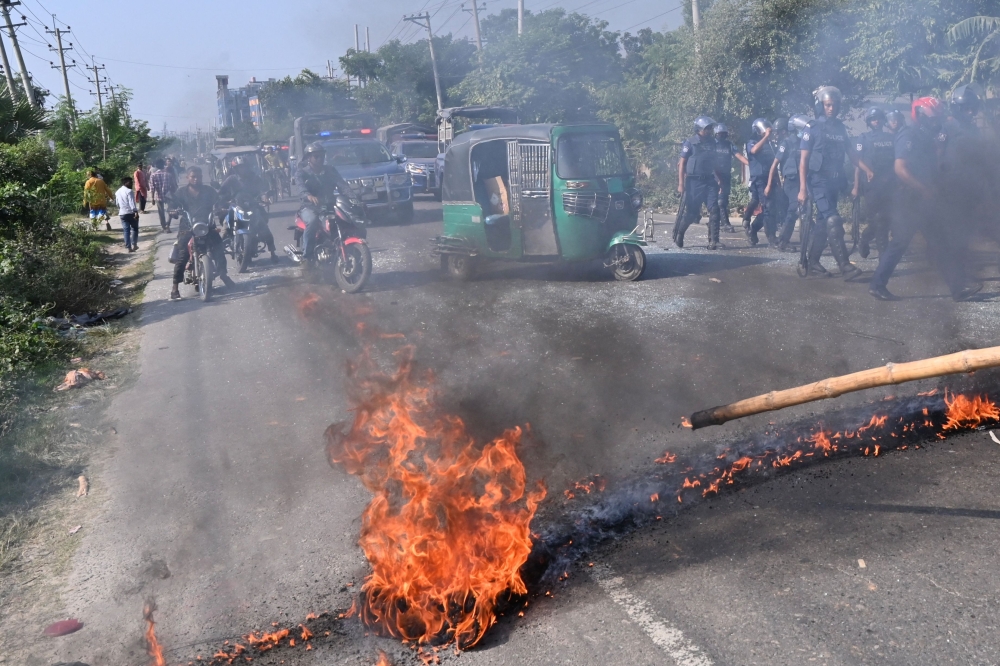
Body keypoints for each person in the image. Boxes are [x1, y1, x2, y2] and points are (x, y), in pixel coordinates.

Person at [868, 98, 981, 302]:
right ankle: (877, 284)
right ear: (919, 115)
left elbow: (933, 165)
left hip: (925, 200)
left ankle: (957, 289)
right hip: (910, 200)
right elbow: (900, 169)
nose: (936, 121)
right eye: (932, 118)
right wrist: (924, 188)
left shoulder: (928, 136)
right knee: (900, 244)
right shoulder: (908, 134)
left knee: (940, 243)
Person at [798, 86, 873, 279]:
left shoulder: (840, 128)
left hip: (834, 183)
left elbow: (852, 154)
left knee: (823, 225)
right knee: (834, 220)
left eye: (835, 105)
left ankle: (813, 263)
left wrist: (867, 169)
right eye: (828, 105)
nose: (832, 108)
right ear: (820, 106)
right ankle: (845, 266)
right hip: (818, 182)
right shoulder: (812, 127)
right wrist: (802, 189)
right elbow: (804, 160)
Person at [169, 166, 233, 300]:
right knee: (183, 255)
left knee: (219, 249)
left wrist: (221, 208)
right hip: (187, 227)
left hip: (207, 226)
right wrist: (173, 210)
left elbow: (219, 201)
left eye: (198, 177)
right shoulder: (181, 193)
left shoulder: (209, 191)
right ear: (188, 178)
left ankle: (224, 275)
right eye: (193, 177)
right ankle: (175, 289)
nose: (196, 179)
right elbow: (172, 204)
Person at [295, 141, 353, 270]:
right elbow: (300, 188)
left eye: (321, 156)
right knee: (313, 221)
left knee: (349, 218)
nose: (320, 159)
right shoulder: (302, 172)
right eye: (316, 156)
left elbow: (343, 185)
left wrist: (354, 198)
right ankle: (307, 257)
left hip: (329, 205)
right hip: (309, 207)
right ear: (309, 158)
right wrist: (308, 196)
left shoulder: (330, 170)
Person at [852, 108, 897, 259]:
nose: (876, 121)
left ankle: (865, 239)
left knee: (886, 219)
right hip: (871, 186)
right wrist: (856, 187)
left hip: (889, 185)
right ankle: (883, 257)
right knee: (878, 220)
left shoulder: (891, 138)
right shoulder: (863, 138)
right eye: (873, 119)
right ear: (869, 122)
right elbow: (857, 163)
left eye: (878, 118)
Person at [217, 157, 279, 263]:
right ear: (235, 168)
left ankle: (273, 252)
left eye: (244, 167)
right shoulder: (231, 179)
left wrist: (265, 196)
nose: (242, 169)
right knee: (224, 229)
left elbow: (263, 189)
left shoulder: (255, 178)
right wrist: (222, 201)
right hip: (234, 206)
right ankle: (216, 257)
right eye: (240, 167)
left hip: (252, 206)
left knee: (264, 227)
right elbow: (221, 192)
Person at [675, 116, 723, 249]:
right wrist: (681, 184)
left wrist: (720, 180)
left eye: (710, 128)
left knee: (714, 210)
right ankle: (680, 233)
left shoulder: (713, 143)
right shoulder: (689, 143)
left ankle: (714, 241)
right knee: (692, 213)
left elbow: (715, 163)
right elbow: (682, 163)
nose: (708, 131)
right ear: (699, 129)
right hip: (693, 182)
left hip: (709, 181)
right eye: (706, 128)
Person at [767, 114, 810, 252]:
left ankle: (813, 238)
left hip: (801, 181)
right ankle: (783, 241)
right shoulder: (785, 144)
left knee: (804, 210)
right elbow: (774, 165)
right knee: (793, 210)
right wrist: (769, 184)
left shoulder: (804, 142)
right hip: (791, 183)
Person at [743, 119, 777, 246]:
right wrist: (766, 137)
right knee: (767, 207)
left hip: (769, 178)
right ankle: (771, 238)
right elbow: (754, 151)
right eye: (764, 129)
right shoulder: (752, 142)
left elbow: (773, 162)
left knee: (772, 207)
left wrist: (777, 180)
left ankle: (753, 228)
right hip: (759, 179)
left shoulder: (769, 144)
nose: (766, 131)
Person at [712, 123, 749, 234]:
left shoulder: (729, 145)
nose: (722, 136)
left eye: (724, 134)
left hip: (726, 175)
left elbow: (739, 156)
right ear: (716, 134)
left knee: (724, 200)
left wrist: (750, 164)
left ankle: (716, 221)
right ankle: (726, 224)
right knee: (720, 201)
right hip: (715, 175)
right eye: (720, 134)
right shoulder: (712, 145)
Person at [149, 158, 178, 232]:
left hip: (158, 195)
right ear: (163, 165)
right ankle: (168, 224)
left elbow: (152, 188)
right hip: (169, 195)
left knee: (161, 212)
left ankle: (164, 226)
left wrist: (152, 198)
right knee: (171, 210)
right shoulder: (168, 175)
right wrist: (174, 195)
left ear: (156, 166)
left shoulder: (153, 175)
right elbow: (174, 186)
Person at [115, 176, 140, 252]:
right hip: (130, 213)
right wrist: (136, 212)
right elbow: (132, 203)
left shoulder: (117, 191)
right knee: (134, 229)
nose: (131, 184)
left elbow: (117, 203)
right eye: (130, 182)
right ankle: (134, 244)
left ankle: (128, 247)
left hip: (122, 213)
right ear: (125, 183)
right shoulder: (129, 191)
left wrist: (121, 209)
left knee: (126, 231)